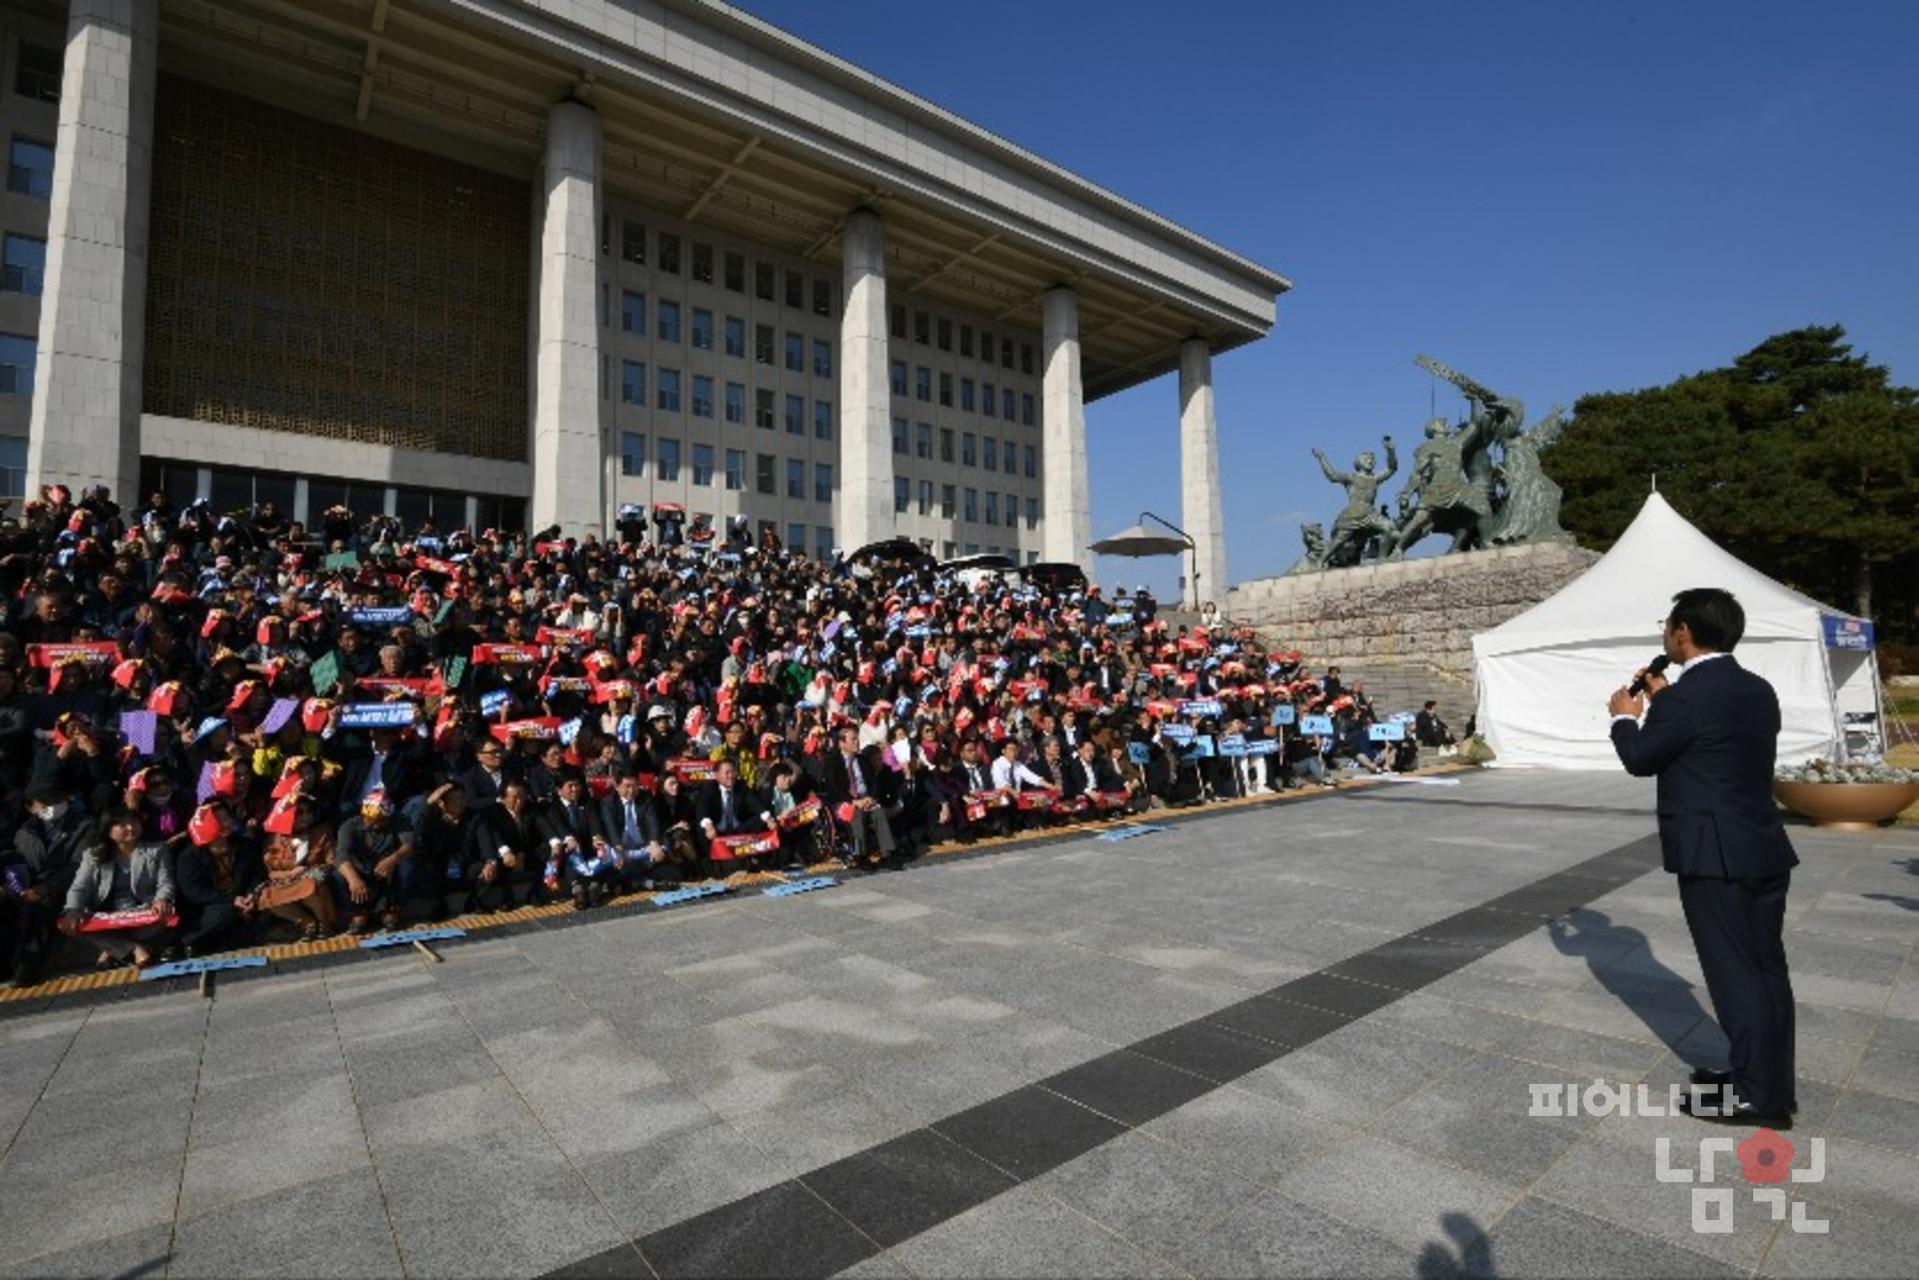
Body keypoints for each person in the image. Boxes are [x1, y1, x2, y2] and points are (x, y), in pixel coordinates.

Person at [1609, 587, 1798, 1127]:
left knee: (1736, 976)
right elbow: (1710, 740)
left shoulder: (1689, 699)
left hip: (1715, 856)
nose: (1665, 634)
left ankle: (1760, 1099)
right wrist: (1664, 697)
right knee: (1766, 970)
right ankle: (1760, 1077)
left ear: (1683, 633)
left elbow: (1643, 757)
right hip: (1761, 845)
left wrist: (1625, 717)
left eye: (1668, 626)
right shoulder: (1756, 688)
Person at [59, 809, 177, 968]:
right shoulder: (93, 855)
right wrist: (73, 908)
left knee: (165, 918)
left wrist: (162, 899)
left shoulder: (157, 850)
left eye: (134, 822)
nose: (130, 828)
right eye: (122, 825)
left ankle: (112, 949)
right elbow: (80, 886)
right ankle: (135, 949)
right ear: (109, 830)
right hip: (108, 916)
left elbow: (166, 881)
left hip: (142, 912)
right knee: (74, 923)